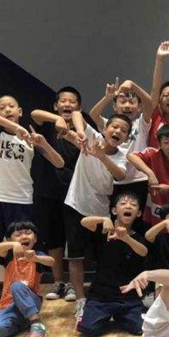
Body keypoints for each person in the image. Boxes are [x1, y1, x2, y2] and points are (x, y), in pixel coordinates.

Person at [0, 95, 64, 324]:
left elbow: (60, 162)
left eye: (11, 106)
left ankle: (24, 301)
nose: (7, 109)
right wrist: (14, 128)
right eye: (2, 107)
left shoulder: (30, 138)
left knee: (22, 253)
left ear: (20, 111)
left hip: (22, 201)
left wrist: (43, 143)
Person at [64, 111, 130, 325]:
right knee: (75, 257)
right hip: (75, 204)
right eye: (114, 127)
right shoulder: (93, 137)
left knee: (104, 257)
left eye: (123, 130)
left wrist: (101, 156)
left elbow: (120, 175)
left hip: (101, 212)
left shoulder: (122, 155)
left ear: (126, 138)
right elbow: (76, 113)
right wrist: (81, 132)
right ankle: (80, 300)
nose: (118, 131)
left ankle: (101, 294)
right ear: (105, 129)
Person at [30, 86, 96, 302]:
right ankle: (59, 281)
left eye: (72, 101)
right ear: (56, 105)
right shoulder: (48, 124)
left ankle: (75, 285)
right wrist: (56, 119)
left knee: (75, 239)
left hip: (76, 192)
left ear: (79, 107)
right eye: (63, 101)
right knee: (54, 238)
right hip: (49, 190)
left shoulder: (83, 128)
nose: (67, 104)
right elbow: (34, 114)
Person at [77, 191, 149, 337]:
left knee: (141, 328)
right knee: (89, 330)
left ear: (139, 213)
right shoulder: (103, 230)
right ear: (114, 210)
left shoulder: (137, 237)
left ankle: (120, 316)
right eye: (123, 203)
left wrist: (126, 238)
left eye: (133, 204)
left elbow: (143, 252)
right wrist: (104, 218)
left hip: (128, 297)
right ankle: (102, 315)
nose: (128, 206)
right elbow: (83, 221)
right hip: (101, 296)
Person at [89, 79, 153, 212]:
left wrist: (133, 85)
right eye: (122, 102)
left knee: (136, 218)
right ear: (114, 106)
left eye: (132, 102)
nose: (127, 106)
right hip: (114, 181)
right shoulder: (110, 125)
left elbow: (149, 101)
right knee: (114, 217)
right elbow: (93, 115)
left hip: (138, 180)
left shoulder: (141, 124)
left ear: (139, 107)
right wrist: (107, 97)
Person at [0, 221, 54, 337]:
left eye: (28, 233)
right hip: (9, 304)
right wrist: (14, 244)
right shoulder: (9, 256)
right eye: (18, 234)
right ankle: (25, 322)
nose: (24, 236)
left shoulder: (36, 255)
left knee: (17, 286)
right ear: (9, 239)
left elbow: (51, 261)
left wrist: (36, 258)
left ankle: (36, 324)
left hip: (32, 299)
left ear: (35, 239)